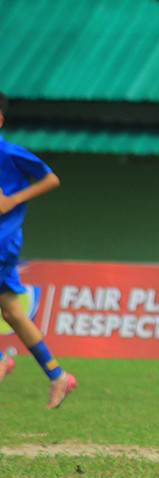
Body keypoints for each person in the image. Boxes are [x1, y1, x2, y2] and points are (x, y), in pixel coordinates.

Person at [0, 92, 76, 407]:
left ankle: (2, 358)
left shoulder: (10, 152)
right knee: (12, 311)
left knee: (11, 310)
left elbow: (51, 179)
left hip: (3, 238)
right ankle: (58, 375)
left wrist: (14, 199)